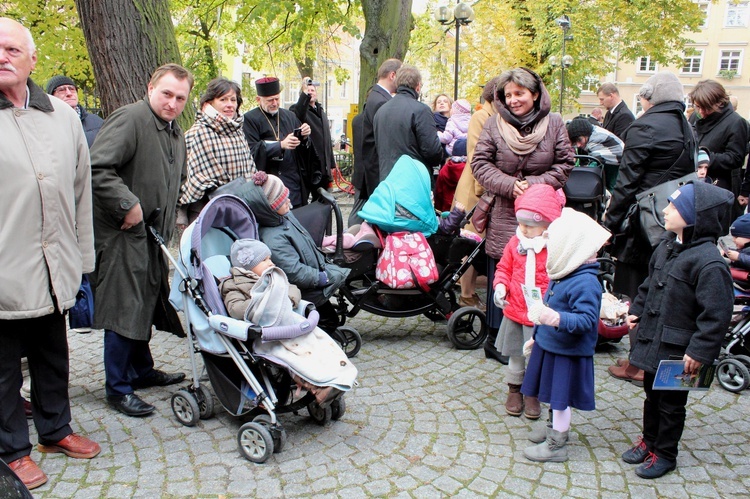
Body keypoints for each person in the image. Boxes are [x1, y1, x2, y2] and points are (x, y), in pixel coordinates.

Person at [0, 17, 100, 490]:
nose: (3, 56)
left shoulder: (63, 118)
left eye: (12, 49)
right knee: (3, 370)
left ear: (32, 59)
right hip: (4, 269)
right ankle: (12, 449)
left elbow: (81, 191)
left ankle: (54, 430)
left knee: (53, 355)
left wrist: (82, 260)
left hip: (53, 265)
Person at [90, 63, 192, 417]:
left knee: (145, 301)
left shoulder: (174, 132)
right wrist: (126, 204)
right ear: (150, 88)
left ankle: (141, 369)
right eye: (166, 94)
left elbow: (176, 178)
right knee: (123, 307)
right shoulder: (130, 119)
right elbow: (97, 168)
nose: (172, 103)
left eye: (180, 98)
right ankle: (117, 388)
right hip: (122, 235)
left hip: (152, 235)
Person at [621, 181, 733, 478]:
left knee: (671, 404)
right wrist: (637, 310)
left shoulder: (709, 263)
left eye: (674, 206)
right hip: (652, 340)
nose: (666, 210)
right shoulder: (666, 247)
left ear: (696, 217)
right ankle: (650, 441)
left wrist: (699, 351)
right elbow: (648, 285)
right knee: (651, 395)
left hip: (680, 352)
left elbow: (717, 315)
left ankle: (666, 453)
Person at [471, 67, 574, 364]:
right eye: (508, 95)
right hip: (505, 210)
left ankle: (539, 335)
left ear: (535, 94)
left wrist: (535, 186)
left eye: (520, 93)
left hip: (543, 214)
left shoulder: (554, 124)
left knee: (539, 273)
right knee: (506, 270)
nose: (514, 100)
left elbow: (566, 164)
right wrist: (509, 185)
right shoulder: (494, 124)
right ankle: (497, 339)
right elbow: (480, 163)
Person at [603, 72, 696, 386]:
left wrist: (608, 225)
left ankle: (638, 364)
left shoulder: (644, 126)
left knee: (633, 291)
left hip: (644, 224)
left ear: (648, 98)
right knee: (663, 290)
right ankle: (648, 361)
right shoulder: (686, 127)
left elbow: (627, 182)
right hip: (675, 219)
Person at [218, 239, 357, 405]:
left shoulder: (274, 276)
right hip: (265, 334)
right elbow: (236, 309)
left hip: (289, 323)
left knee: (318, 344)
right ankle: (317, 388)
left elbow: (292, 289)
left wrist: (288, 300)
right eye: (264, 260)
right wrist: (265, 303)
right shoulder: (233, 285)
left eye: (270, 258)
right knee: (292, 358)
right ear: (247, 265)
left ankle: (338, 374)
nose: (270, 262)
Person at [521, 208, 611, 462]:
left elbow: (587, 320)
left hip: (568, 353)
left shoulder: (585, 282)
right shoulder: (564, 273)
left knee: (560, 399)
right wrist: (537, 336)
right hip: (552, 345)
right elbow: (547, 307)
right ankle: (553, 428)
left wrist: (554, 319)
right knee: (551, 392)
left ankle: (557, 445)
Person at [233, 171, 350, 336]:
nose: (289, 200)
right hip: (307, 288)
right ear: (270, 208)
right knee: (328, 321)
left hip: (313, 277)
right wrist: (320, 277)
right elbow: (293, 271)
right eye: (282, 199)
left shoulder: (283, 218)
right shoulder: (273, 238)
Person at [492, 184, 565, 420]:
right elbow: (504, 268)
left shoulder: (553, 247)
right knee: (515, 353)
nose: (523, 229)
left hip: (540, 313)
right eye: (521, 223)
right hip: (516, 309)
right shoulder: (516, 244)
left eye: (530, 226)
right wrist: (500, 286)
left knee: (536, 356)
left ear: (547, 224)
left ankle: (532, 391)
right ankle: (514, 389)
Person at [453, 76, 502, 314]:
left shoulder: (493, 116)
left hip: (483, 190)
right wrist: (484, 189)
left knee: (474, 244)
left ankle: (469, 294)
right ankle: (466, 295)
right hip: (475, 191)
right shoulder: (481, 117)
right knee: (470, 243)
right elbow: (475, 156)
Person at [178, 77, 256, 225]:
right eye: (223, 100)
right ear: (209, 103)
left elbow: (248, 168)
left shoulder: (237, 131)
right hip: (206, 208)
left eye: (233, 100)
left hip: (239, 205)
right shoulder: (197, 132)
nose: (229, 105)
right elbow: (187, 178)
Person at [243, 76, 313, 208]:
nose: (275, 103)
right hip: (269, 187)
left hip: (293, 185)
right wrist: (280, 145)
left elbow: (304, 150)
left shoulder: (290, 116)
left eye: (277, 99)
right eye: (270, 100)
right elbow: (252, 151)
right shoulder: (249, 119)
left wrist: (304, 137)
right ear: (258, 99)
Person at [349, 58, 402, 221]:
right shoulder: (381, 101)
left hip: (370, 172)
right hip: (375, 173)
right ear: (392, 75)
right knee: (360, 216)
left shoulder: (376, 97)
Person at [689, 80, 748, 223]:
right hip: (694, 182)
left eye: (706, 108)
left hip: (717, 186)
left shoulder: (735, 122)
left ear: (719, 103)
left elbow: (735, 158)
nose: (701, 112)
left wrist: (705, 158)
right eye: (698, 107)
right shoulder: (696, 117)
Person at [373, 64, 443, 180]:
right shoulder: (421, 110)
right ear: (418, 86)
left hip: (387, 180)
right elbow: (433, 151)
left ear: (397, 84)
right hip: (413, 181)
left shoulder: (381, 111)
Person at [291, 76, 334, 201]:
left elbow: (327, 138)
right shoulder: (298, 110)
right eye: (307, 91)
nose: (311, 93)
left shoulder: (321, 111)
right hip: (309, 167)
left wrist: (331, 163)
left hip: (324, 167)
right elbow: (299, 113)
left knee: (325, 203)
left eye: (312, 90)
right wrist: (305, 94)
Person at [566, 117, 624, 191]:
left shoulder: (596, 139)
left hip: (616, 161)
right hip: (617, 159)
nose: (578, 145)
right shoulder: (592, 132)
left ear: (585, 134)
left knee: (611, 187)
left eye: (579, 140)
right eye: (575, 141)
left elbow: (594, 163)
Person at [46, 74, 103, 147]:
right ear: (51, 96)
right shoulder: (45, 124)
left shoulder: (97, 122)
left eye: (72, 89)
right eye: (61, 90)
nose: (69, 93)